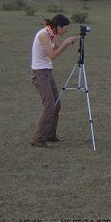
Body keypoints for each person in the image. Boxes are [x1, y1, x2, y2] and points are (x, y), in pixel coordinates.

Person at [30, 14, 78, 147]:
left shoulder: (52, 33)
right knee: (49, 106)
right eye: (65, 28)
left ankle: (50, 134)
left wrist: (66, 43)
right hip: (40, 73)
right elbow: (53, 55)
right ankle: (37, 138)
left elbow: (56, 48)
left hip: (47, 71)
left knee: (57, 104)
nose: (66, 30)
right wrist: (66, 43)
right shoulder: (43, 34)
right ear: (58, 26)